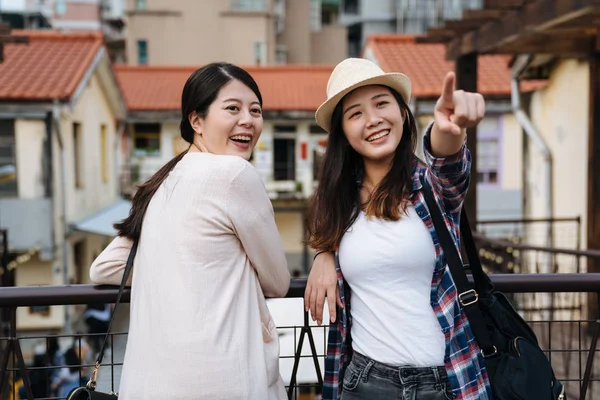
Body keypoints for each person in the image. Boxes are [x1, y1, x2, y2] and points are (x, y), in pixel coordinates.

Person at [90, 62, 290, 399]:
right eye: (232, 108)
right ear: (196, 121)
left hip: (153, 381)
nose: (248, 120)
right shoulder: (235, 174)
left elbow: (104, 267)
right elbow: (278, 281)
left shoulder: (163, 181)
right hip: (224, 378)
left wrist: (186, 267)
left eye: (255, 110)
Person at [303, 58, 492, 400]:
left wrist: (449, 130)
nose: (373, 120)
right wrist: (324, 254)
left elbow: (448, 164)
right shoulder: (337, 203)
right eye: (355, 113)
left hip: (446, 383)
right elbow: (327, 234)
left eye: (381, 104)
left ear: (403, 113)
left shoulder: (432, 189)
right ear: (343, 134)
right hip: (365, 382)